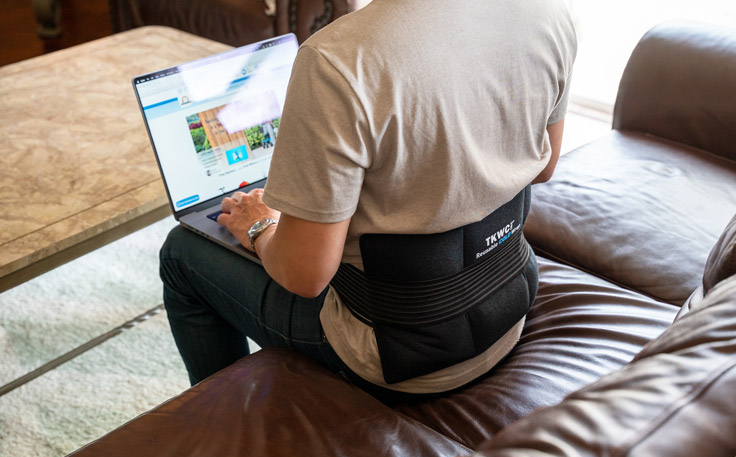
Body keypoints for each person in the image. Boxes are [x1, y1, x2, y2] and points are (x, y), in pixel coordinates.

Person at [159, 0, 577, 400]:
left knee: (181, 253)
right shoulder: (547, 10)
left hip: (398, 358)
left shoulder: (338, 58)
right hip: (508, 310)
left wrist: (260, 225)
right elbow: (543, 165)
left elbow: (305, 276)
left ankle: (222, 421)